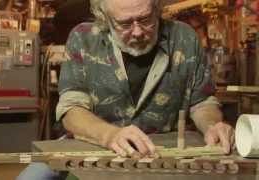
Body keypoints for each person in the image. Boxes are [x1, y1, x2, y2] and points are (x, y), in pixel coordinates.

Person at [17, 0, 234, 179]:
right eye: (124, 23)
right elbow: (71, 110)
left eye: (146, 19)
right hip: (93, 142)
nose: (138, 31)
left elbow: (202, 101)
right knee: (31, 177)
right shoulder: (83, 38)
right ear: (105, 17)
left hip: (162, 148)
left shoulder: (184, 38)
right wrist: (110, 135)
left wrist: (212, 125)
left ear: (157, 9)